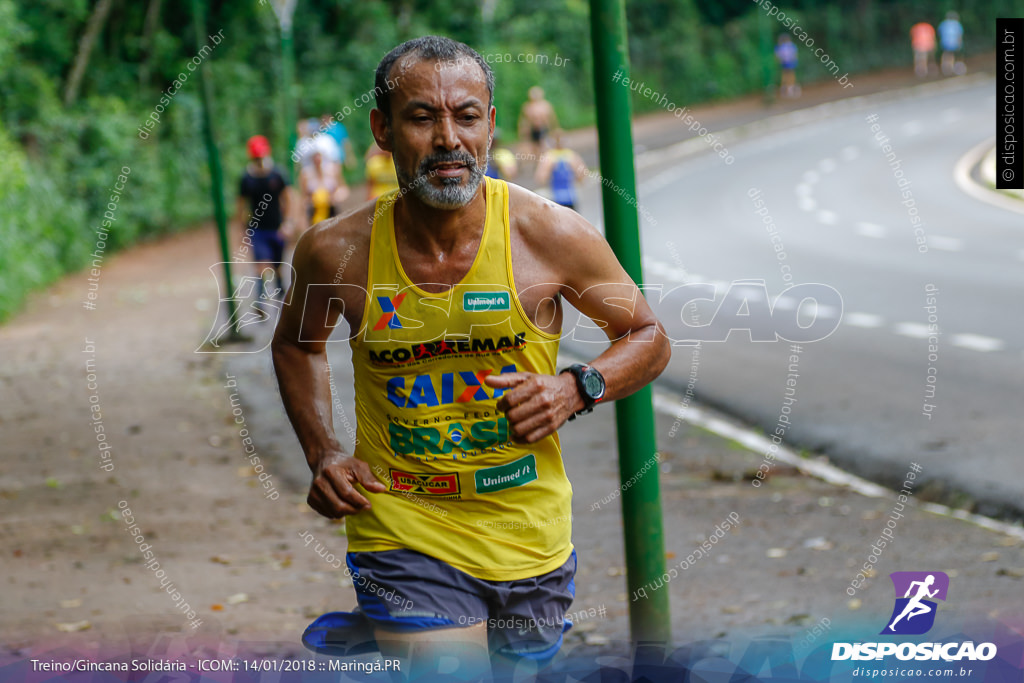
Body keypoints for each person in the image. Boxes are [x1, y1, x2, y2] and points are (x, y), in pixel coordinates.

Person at [271, 36, 670, 679]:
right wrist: (323, 450)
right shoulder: (334, 251)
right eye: (422, 117)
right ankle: (404, 623)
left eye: (467, 116)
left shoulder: (549, 235)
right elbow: (296, 343)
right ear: (383, 130)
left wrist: (575, 387)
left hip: (528, 529)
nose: (448, 139)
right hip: (401, 524)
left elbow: (648, 337)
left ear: (491, 125)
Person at [235, 135, 292, 311]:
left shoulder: (277, 174)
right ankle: (260, 302)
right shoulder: (246, 178)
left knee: (278, 266)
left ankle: (280, 294)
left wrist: (287, 222)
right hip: (257, 229)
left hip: (276, 227)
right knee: (261, 264)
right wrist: (243, 230)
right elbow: (241, 205)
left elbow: (288, 198)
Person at [534, 130, 586, 211]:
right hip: (557, 197)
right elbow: (541, 178)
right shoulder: (553, 156)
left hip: (567, 197)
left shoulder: (553, 156)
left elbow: (582, 175)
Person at [299, 150, 349, 227]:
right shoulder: (306, 175)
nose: (317, 159)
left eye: (319, 156)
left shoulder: (332, 171)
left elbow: (344, 190)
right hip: (314, 211)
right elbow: (303, 197)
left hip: (331, 209)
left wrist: (335, 197)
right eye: (315, 157)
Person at [517, 86, 559, 159]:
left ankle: (545, 162)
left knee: (544, 147)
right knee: (535, 149)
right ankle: (540, 163)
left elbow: (552, 119)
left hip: (544, 129)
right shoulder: (527, 107)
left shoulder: (545, 105)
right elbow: (523, 122)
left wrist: (554, 130)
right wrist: (523, 133)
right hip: (533, 130)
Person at [938, 11, 964, 76]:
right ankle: (951, 68)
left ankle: (945, 67)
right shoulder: (956, 24)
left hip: (945, 42)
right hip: (953, 42)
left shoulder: (943, 24)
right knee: (953, 55)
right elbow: (959, 35)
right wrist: (960, 43)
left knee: (945, 54)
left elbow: (940, 32)